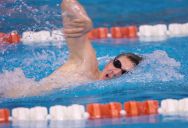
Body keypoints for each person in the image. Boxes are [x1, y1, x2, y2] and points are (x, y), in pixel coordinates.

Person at [4, 0, 142, 98]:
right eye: (117, 64)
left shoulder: (96, 89)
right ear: (110, 61)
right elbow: (67, 3)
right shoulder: (86, 65)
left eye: (123, 73)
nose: (116, 72)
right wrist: (84, 19)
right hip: (9, 91)